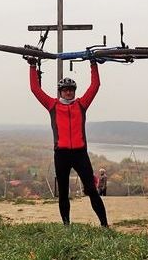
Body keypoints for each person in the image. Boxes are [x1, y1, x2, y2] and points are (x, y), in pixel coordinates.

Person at [26, 56, 108, 227]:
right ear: (60, 91)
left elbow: (95, 86)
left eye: (71, 89)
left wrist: (93, 64)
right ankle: (66, 226)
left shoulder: (81, 104)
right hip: (61, 154)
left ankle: (104, 225)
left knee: (92, 191)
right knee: (63, 193)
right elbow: (35, 89)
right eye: (65, 89)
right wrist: (33, 66)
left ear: (74, 91)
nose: (68, 92)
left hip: (80, 153)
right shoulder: (52, 105)